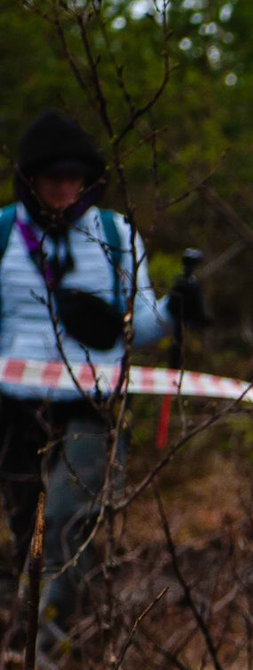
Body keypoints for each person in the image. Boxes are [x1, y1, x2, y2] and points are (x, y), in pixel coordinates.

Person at [1, 110, 187, 639]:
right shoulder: (3, 235)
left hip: (94, 402)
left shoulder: (115, 235)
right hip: (15, 407)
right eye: (53, 176)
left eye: (74, 177)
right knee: (27, 527)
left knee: (65, 519)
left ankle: (51, 643)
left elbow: (142, 326)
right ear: (31, 179)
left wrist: (176, 310)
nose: (64, 187)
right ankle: (38, 635)